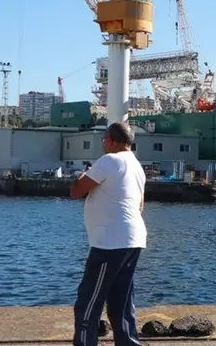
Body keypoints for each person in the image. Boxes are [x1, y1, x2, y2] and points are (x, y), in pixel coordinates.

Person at [69, 122, 147, 346]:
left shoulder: (109, 160)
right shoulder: (137, 166)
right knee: (121, 300)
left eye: (104, 139)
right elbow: (140, 206)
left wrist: (80, 176)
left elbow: (76, 192)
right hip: (133, 239)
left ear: (112, 141)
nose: (103, 143)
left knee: (89, 299)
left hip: (110, 243)